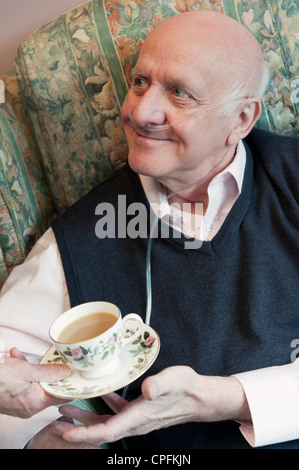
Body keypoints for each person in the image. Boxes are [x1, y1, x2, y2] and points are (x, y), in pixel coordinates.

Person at [0, 10, 299, 449]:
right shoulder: (82, 235)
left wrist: (224, 399)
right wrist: (32, 441)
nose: (140, 112)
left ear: (241, 120)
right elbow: (9, 381)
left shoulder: (291, 179)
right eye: (140, 82)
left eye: (179, 93)